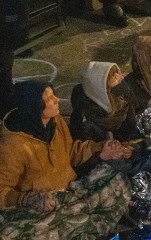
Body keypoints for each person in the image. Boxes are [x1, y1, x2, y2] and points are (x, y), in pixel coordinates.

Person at [0, 81, 131, 238]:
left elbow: (70, 152)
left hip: (71, 192)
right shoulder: (13, 145)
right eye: (49, 99)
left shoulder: (56, 122)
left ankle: (79, 221)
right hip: (42, 206)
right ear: (34, 106)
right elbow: (2, 189)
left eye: (53, 94)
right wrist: (25, 198)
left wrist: (100, 148)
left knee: (119, 181)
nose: (57, 100)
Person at [69, 61, 138, 142]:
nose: (121, 77)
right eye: (115, 77)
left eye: (119, 73)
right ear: (102, 86)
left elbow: (131, 126)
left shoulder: (122, 98)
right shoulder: (87, 118)